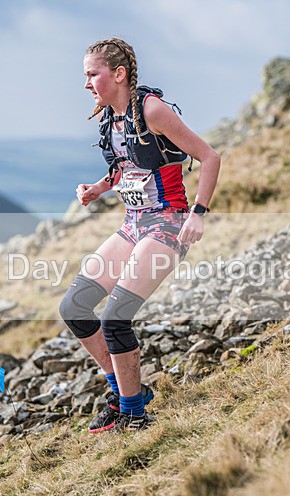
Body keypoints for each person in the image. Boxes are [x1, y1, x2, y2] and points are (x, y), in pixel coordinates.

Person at [59, 37, 220, 432]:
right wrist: (100, 187)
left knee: (115, 318)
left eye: (91, 74)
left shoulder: (152, 109)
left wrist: (198, 213)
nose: (86, 84)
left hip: (167, 224)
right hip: (132, 224)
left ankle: (135, 415)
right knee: (75, 308)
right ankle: (125, 394)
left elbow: (209, 156)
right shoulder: (110, 117)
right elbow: (129, 164)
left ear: (118, 74)